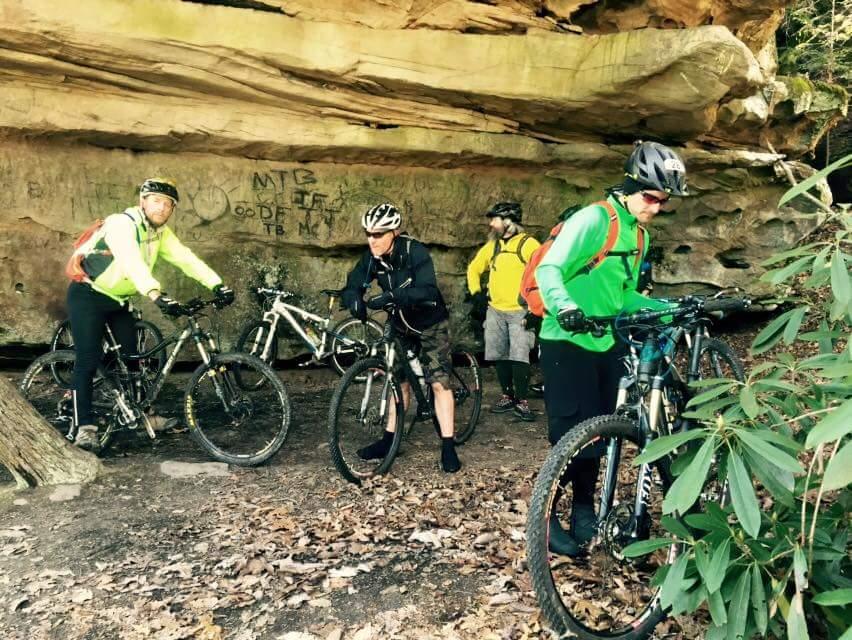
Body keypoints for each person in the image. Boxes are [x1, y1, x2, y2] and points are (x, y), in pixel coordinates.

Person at [535, 141, 687, 555]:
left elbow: (623, 295)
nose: (656, 207)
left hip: (607, 340)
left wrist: (669, 309)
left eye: (663, 201)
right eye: (650, 198)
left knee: (600, 435)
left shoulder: (637, 234)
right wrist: (564, 306)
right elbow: (550, 267)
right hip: (566, 341)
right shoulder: (594, 219)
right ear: (629, 186)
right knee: (571, 436)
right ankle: (544, 521)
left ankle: (583, 512)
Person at [67, 178, 234, 452]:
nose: (162, 208)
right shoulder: (122, 224)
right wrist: (155, 293)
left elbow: (185, 258)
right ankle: (84, 427)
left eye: (169, 204)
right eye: (156, 200)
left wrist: (217, 284)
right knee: (87, 358)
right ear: (142, 201)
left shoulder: (160, 233)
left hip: (118, 299)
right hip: (88, 295)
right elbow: (130, 260)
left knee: (135, 361)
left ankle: (147, 415)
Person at [340, 203, 461, 473]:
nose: (372, 239)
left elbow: (428, 289)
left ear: (393, 232)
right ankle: (388, 440)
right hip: (400, 326)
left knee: (439, 384)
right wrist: (354, 300)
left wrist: (393, 296)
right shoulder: (372, 256)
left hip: (430, 324)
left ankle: (448, 445)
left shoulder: (413, 251)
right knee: (399, 382)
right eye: (368, 234)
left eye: (378, 234)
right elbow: (354, 281)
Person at [466, 202, 540, 421]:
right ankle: (507, 395)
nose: (491, 224)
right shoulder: (494, 246)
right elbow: (474, 268)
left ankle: (522, 400)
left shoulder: (528, 244)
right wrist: (476, 293)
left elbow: (542, 273)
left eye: (495, 219)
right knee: (499, 354)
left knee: (519, 357)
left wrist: (536, 308)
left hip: (520, 311)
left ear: (508, 221)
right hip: (495, 310)